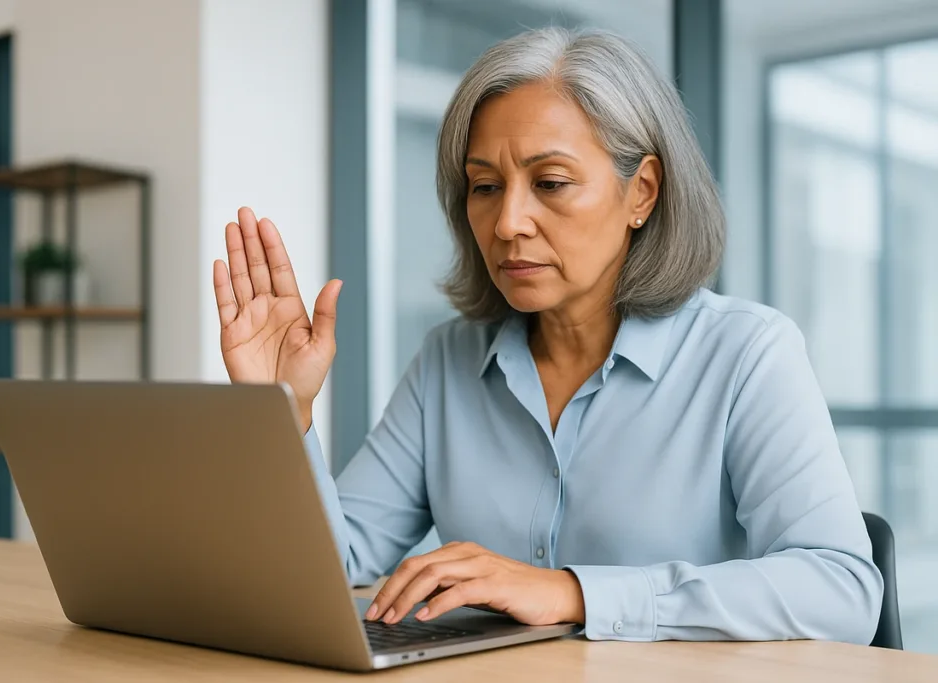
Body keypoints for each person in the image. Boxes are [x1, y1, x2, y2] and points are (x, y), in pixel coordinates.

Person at [211, 27, 882, 643]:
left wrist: (574, 592)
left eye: (550, 182)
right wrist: (284, 411)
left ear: (641, 192)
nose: (508, 223)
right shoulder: (449, 359)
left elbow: (842, 589)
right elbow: (335, 563)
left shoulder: (746, 354)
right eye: (483, 186)